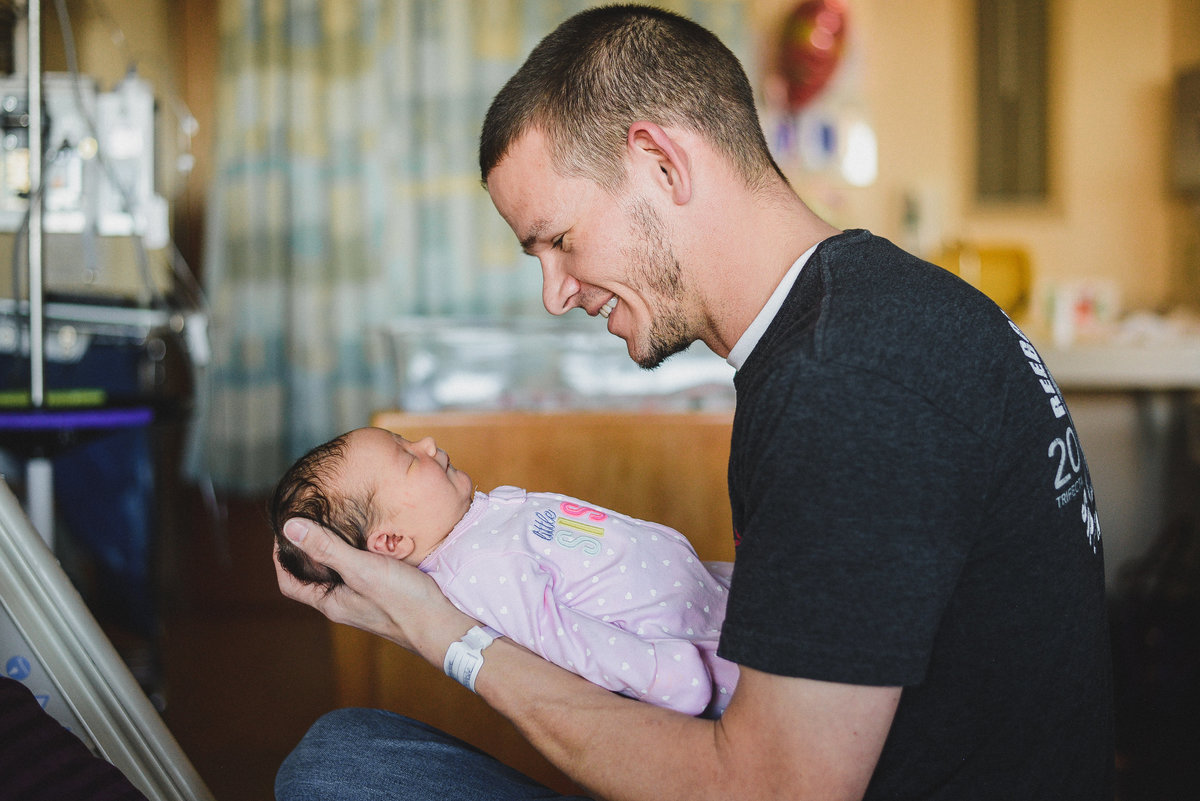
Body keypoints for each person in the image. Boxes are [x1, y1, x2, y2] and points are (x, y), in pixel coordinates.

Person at [273, 5, 1114, 800]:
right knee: (351, 750)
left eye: (559, 241)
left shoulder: (847, 383)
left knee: (339, 770)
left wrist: (443, 631)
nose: (554, 294)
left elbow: (768, 789)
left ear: (662, 164)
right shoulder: (875, 306)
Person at [270, 426, 738, 717]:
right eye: (409, 458)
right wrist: (660, 674)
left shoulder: (474, 527)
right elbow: (564, 643)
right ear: (392, 542)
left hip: (712, 591)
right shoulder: (478, 571)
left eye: (406, 441)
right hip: (696, 653)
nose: (427, 443)